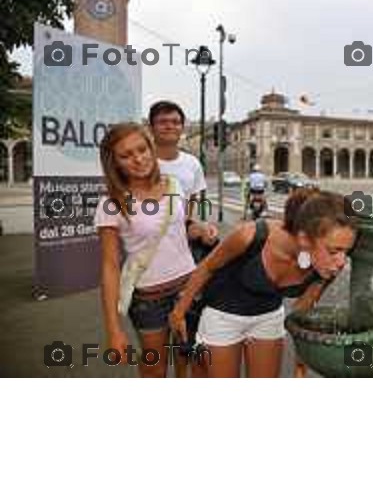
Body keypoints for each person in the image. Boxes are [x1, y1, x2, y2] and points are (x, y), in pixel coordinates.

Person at [169, 188, 357, 378]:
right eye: (334, 251)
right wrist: (179, 313)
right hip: (223, 315)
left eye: (346, 252)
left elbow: (302, 310)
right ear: (304, 239)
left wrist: (301, 363)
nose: (342, 262)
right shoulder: (250, 236)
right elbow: (207, 267)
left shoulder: (327, 266)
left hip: (268, 316)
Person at [94, 122, 203, 378]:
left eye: (142, 149)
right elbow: (110, 267)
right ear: (114, 163)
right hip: (149, 301)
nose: (138, 159)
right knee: (155, 369)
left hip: (190, 289)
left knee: (193, 362)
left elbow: (180, 227)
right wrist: (113, 329)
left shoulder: (174, 185)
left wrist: (199, 228)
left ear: (151, 148)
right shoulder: (110, 203)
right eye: (126, 155)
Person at [148, 100, 218, 255]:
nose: (170, 126)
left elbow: (188, 210)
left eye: (175, 122)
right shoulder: (141, 162)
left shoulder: (193, 163)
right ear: (151, 128)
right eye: (162, 122)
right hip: (145, 243)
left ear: (182, 128)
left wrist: (200, 229)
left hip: (178, 245)